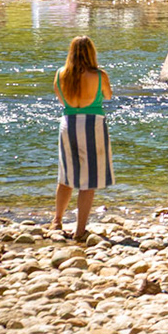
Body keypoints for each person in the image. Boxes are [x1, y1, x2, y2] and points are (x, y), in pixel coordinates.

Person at [53, 35, 113, 242]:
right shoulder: (99, 75)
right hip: (92, 123)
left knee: (66, 175)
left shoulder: (61, 74)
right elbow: (108, 96)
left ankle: (57, 221)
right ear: (91, 53)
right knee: (89, 180)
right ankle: (79, 230)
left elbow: (61, 99)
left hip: (68, 123)